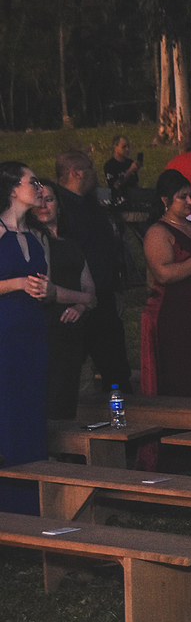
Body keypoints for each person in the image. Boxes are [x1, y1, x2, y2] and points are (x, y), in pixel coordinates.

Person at [55, 149, 132, 392]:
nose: (94, 173)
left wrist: (115, 288)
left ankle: (121, 406)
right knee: (70, 370)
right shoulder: (60, 207)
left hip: (103, 295)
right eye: (90, 167)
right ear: (76, 173)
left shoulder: (90, 204)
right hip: (74, 300)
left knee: (116, 368)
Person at [140, 169, 191, 397]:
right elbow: (163, 273)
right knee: (179, 374)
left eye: (190, 196)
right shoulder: (158, 231)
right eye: (182, 197)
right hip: (175, 313)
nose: (189, 201)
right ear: (165, 200)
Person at [0, 162, 51, 514]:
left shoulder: (35, 234)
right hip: (6, 333)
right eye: (32, 181)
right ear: (12, 188)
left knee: (33, 410)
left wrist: (47, 291)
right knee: (9, 411)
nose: (39, 187)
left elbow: (46, 285)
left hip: (34, 331)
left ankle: (35, 503)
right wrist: (17, 283)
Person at [30, 184, 97, 419]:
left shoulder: (71, 243)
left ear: (58, 205)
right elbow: (45, 289)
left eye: (49, 199)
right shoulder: (34, 241)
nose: (44, 205)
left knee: (70, 395)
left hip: (73, 329)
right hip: (48, 324)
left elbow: (90, 288)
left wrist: (81, 305)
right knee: (52, 396)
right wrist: (84, 298)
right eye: (39, 200)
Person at [103, 135, 142, 208]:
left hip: (133, 200)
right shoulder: (110, 165)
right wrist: (130, 171)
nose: (127, 149)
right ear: (116, 148)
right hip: (119, 202)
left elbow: (135, 183)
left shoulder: (129, 163)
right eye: (124, 147)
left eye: (128, 147)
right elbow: (115, 185)